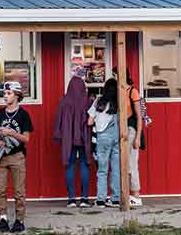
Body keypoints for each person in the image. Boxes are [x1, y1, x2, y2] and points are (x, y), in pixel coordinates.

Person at [0, 81, 33, 232]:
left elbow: (26, 138)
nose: (5, 96)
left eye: (9, 93)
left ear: (17, 95)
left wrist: (12, 133)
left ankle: (19, 220)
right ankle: (3, 218)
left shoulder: (23, 115)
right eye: (4, 93)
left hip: (17, 156)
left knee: (19, 191)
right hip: (1, 156)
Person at [54, 75, 93, 208]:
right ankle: (84, 199)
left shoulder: (64, 101)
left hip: (68, 138)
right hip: (84, 137)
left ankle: (71, 199)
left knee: (69, 165)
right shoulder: (88, 101)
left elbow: (58, 121)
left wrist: (58, 135)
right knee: (84, 165)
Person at [88, 77, 120, 207]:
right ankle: (115, 199)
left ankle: (101, 199)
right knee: (116, 169)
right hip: (116, 136)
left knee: (102, 170)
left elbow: (89, 121)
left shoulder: (98, 101)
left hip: (103, 137)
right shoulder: (119, 102)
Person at [126, 70, 145, 207]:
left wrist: (138, 137)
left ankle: (136, 195)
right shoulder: (121, 91)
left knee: (132, 163)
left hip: (132, 130)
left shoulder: (133, 91)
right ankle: (127, 195)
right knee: (125, 164)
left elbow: (139, 116)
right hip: (123, 131)